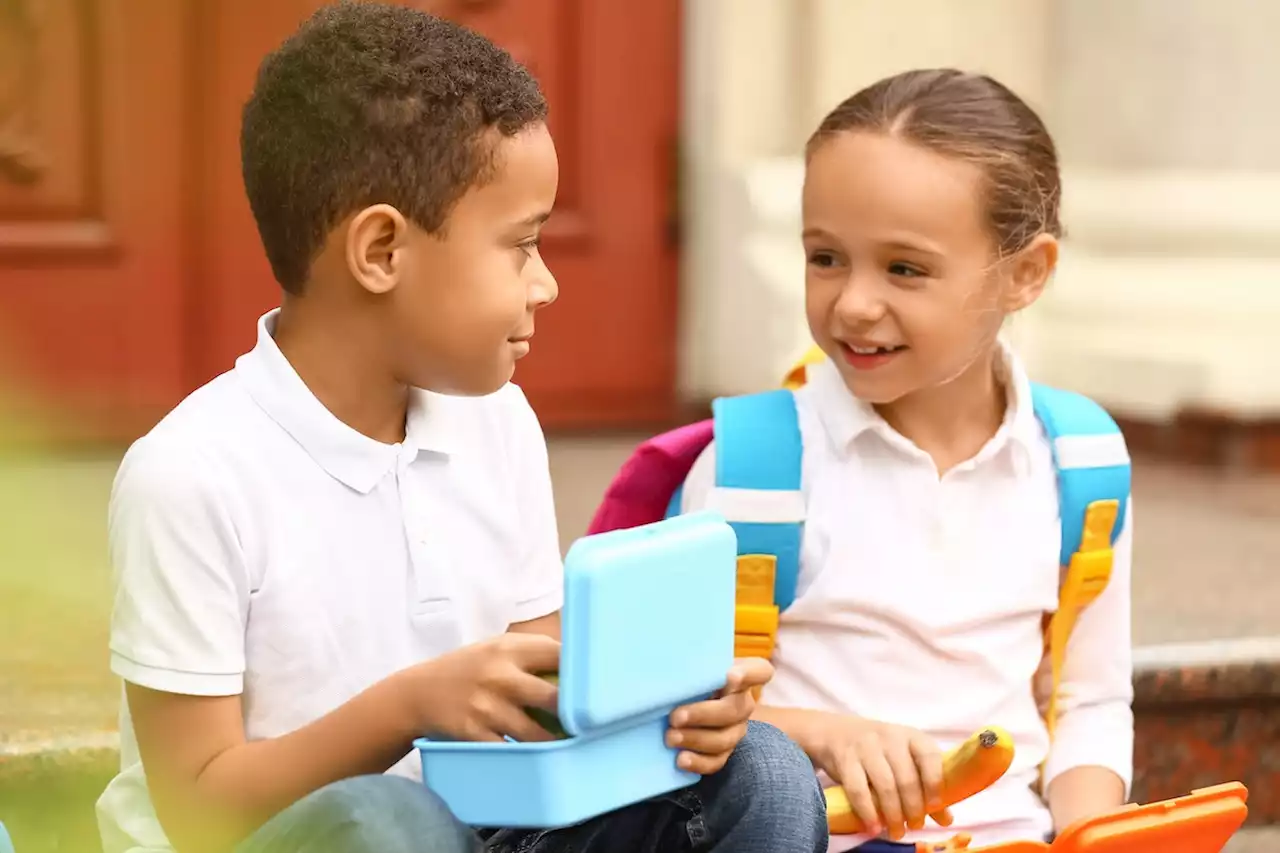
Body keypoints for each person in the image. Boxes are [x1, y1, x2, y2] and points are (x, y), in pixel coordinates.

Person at [95, 4, 827, 853]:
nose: (545, 284)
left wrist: (673, 708)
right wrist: (411, 706)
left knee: (760, 772)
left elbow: (544, 688)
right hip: (315, 838)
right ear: (381, 252)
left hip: (491, 826)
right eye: (521, 245)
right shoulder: (191, 475)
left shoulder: (494, 418)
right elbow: (197, 807)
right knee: (388, 820)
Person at [677, 70, 1134, 851]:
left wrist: (1097, 834)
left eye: (904, 268)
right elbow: (671, 714)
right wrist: (821, 734)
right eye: (826, 257)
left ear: (1026, 272)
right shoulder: (751, 467)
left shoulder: (1081, 460)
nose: (853, 302)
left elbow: (1089, 700)